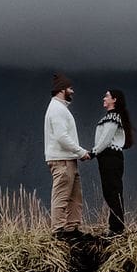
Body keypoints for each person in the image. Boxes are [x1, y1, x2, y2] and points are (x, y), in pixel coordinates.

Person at [43, 73, 92, 232]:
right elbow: (61, 137)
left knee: (74, 197)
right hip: (62, 161)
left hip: (68, 160)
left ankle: (73, 228)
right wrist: (81, 152)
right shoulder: (57, 109)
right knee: (62, 196)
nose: (72, 91)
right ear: (61, 89)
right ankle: (58, 230)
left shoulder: (59, 108)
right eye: (70, 88)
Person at [91, 88, 133, 235]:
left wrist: (93, 153)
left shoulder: (113, 117)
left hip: (110, 157)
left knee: (112, 191)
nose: (104, 98)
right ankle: (115, 225)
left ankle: (117, 227)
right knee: (111, 191)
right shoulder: (111, 117)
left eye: (107, 96)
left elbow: (106, 138)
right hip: (107, 157)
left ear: (114, 100)